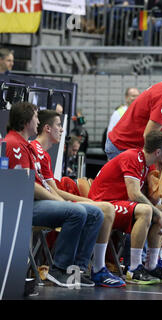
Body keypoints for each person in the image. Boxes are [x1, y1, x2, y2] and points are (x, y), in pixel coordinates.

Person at [4, 102, 103, 288]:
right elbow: (29, 186)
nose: (38, 121)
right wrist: (63, 202)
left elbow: (42, 185)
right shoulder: (14, 144)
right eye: (35, 118)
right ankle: (58, 269)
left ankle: (78, 270)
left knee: (95, 213)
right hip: (24, 206)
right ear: (26, 122)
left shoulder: (25, 145)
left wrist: (66, 201)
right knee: (77, 212)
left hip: (35, 202)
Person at [31, 109, 124, 288]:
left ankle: (78, 270)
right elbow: (42, 189)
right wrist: (67, 203)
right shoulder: (34, 148)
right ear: (47, 128)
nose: (62, 130)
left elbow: (53, 188)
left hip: (49, 201)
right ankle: (63, 268)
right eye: (59, 125)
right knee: (89, 210)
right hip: (37, 204)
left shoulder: (45, 154)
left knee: (96, 211)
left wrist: (85, 200)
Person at [89, 130, 162, 284]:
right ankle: (134, 268)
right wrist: (158, 212)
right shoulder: (132, 157)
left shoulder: (148, 164)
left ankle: (151, 265)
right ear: (158, 152)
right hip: (104, 203)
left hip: (120, 203)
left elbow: (153, 196)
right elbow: (134, 194)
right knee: (147, 210)